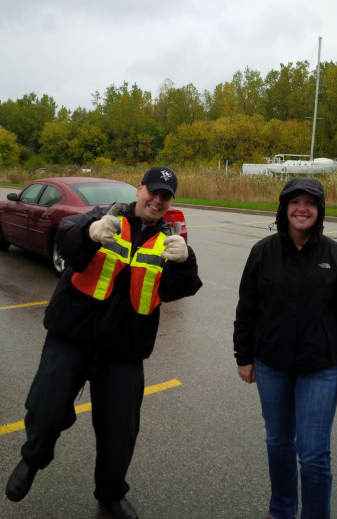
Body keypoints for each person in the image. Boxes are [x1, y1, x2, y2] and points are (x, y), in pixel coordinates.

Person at [5, 166, 202, 519]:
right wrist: (88, 232)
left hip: (124, 351)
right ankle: (33, 459)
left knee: (119, 433)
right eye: (152, 192)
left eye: (165, 196)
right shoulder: (105, 217)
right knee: (45, 410)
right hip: (72, 336)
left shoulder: (168, 241)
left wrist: (186, 262)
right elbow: (67, 243)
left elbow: (180, 288)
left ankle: (110, 496)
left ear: (170, 201)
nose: (156, 200)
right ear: (139, 189)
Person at [233, 177, 337, 519]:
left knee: (313, 454)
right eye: (295, 202)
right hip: (271, 365)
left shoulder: (333, 254)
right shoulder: (263, 251)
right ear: (285, 208)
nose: (302, 209)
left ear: (319, 211)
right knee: (278, 442)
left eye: (310, 202)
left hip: (320, 369)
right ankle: (281, 510)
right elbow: (247, 308)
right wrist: (244, 358)